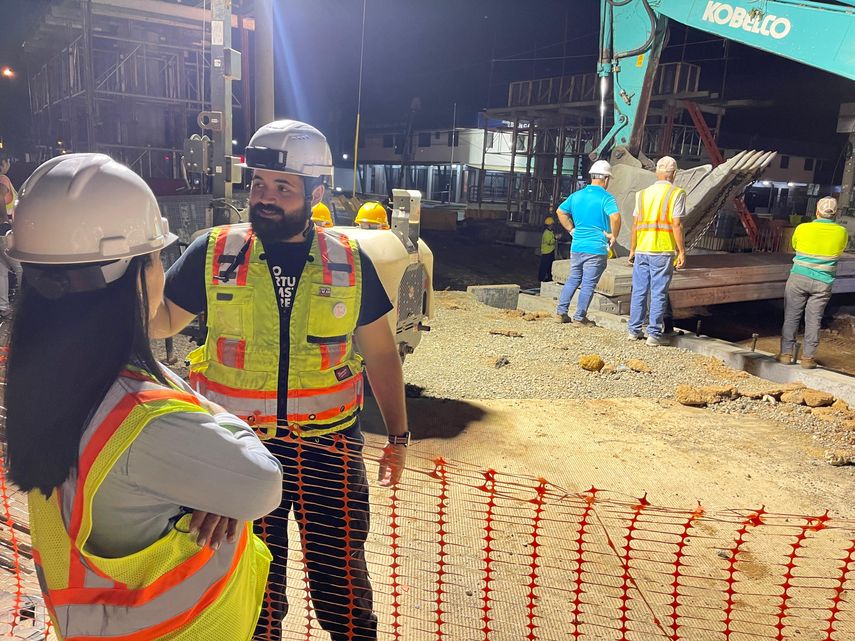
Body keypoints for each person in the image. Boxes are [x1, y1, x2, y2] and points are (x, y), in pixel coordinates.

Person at [4, 153, 283, 640]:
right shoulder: (142, 420)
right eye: (155, 258)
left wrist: (206, 464)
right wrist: (215, 439)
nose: (161, 271)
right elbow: (262, 485)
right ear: (129, 275)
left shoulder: (51, 380)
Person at [151, 119, 410, 641]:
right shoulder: (214, 251)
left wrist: (398, 437)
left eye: (282, 188)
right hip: (237, 452)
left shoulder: (349, 261)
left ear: (316, 193)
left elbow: (381, 354)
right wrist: (130, 272)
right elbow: (159, 323)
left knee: (342, 585)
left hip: (329, 450)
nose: (264, 198)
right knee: (253, 587)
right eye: (258, 185)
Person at [777, 196, 848, 369]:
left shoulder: (802, 228)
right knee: (814, 320)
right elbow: (840, 250)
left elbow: (795, 245)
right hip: (823, 282)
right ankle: (808, 358)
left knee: (791, 317)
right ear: (835, 214)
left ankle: (786, 354)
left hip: (798, 278)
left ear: (817, 211)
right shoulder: (841, 232)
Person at [627, 155, 687, 346]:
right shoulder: (677, 193)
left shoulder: (642, 194)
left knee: (639, 291)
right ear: (674, 174)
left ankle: (634, 330)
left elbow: (635, 224)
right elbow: (677, 224)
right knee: (658, 292)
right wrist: (682, 251)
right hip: (662, 250)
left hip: (642, 249)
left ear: (656, 172)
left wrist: (632, 249)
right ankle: (653, 334)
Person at [554, 160, 620, 325]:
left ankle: (561, 313)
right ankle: (579, 317)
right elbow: (615, 216)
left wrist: (571, 230)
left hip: (577, 246)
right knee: (588, 284)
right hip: (596, 248)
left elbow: (560, 211)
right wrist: (613, 235)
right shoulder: (606, 197)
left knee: (573, 278)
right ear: (606, 179)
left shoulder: (576, 195)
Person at [0, 153, 23, 317]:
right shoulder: (2, 179)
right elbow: (1, 197)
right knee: (19, 268)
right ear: (3, 163)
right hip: (3, 230)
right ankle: (23, 305)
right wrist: (4, 220)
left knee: (1, 270)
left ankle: (3, 306)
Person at [538, 216, 557, 282]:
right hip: (547, 252)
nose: (553, 225)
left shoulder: (550, 232)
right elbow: (549, 242)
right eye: (552, 224)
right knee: (544, 266)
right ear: (550, 225)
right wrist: (555, 238)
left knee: (549, 266)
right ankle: (541, 278)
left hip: (550, 251)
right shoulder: (546, 233)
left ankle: (549, 278)